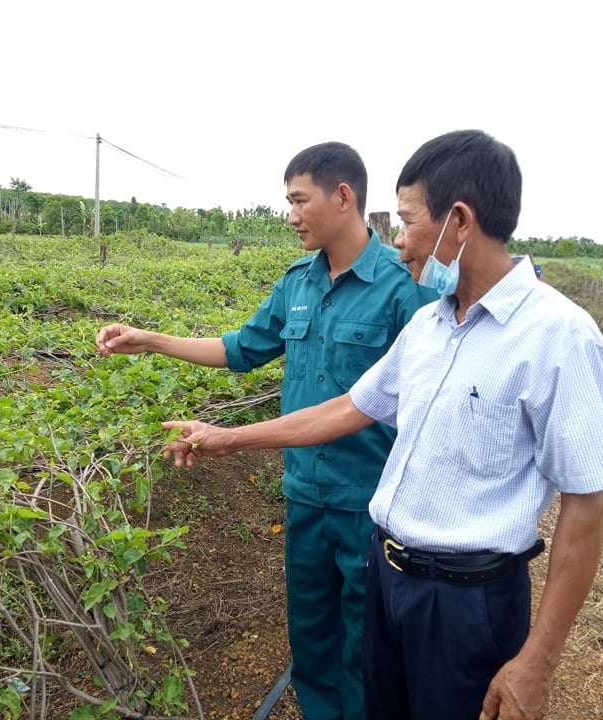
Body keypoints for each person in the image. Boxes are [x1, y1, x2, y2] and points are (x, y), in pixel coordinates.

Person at [160, 130, 603, 720]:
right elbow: (344, 410)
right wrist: (227, 437)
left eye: (408, 222)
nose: (400, 243)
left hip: (467, 601)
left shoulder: (558, 337)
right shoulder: (431, 326)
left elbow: (586, 503)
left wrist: (537, 661)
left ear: (458, 221)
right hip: (389, 576)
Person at [96, 141, 436, 720]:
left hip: (370, 504)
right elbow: (240, 348)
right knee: (311, 636)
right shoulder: (297, 284)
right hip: (304, 495)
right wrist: (150, 340)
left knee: (366, 647)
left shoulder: (404, 291)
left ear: (343, 197)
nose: (291, 214)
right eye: (288, 201)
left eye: (299, 200)